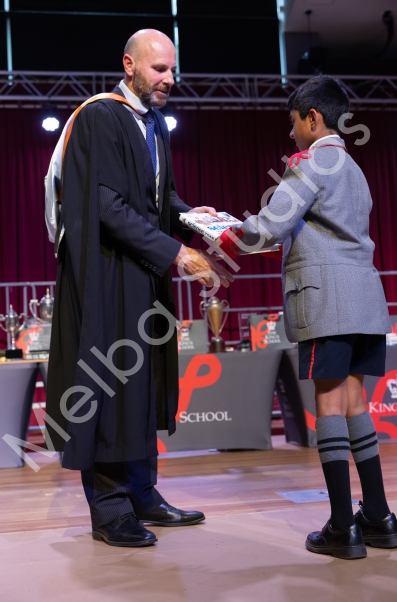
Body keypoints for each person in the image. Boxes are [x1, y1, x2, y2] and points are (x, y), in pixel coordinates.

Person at [45, 29, 233, 548]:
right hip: (105, 274)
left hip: (142, 273)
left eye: (173, 69)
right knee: (108, 386)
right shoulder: (100, 117)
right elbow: (106, 206)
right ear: (129, 65)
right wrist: (177, 253)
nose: (170, 79)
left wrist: (192, 217)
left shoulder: (153, 124)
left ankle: (143, 494)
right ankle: (110, 509)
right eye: (159, 69)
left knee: (142, 383)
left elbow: (157, 199)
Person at [219, 75, 397, 559]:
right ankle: (379, 517)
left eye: (294, 122)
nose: (291, 132)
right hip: (365, 298)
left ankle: (342, 526)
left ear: (313, 118)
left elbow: (271, 225)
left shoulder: (311, 163)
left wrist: (223, 234)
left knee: (328, 404)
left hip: (327, 301)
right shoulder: (355, 167)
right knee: (355, 402)